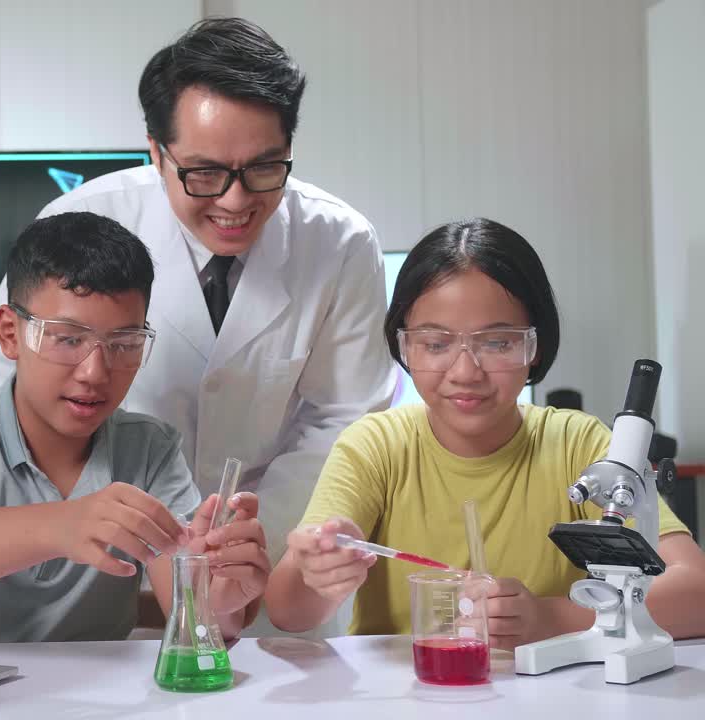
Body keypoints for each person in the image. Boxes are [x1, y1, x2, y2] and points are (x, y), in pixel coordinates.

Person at [0, 18, 394, 576]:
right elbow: (6, 396)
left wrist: (240, 540)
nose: (235, 199)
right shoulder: (83, 221)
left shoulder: (340, 242)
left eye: (265, 167)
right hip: (94, 555)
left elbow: (344, 418)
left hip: (263, 553)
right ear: (156, 151)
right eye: (204, 172)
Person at [265, 218, 705, 649]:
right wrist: (319, 574)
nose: (464, 373)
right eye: (435, 344)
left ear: (534, 347)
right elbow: (289, 613)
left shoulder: (577, 443)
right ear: (403, 346)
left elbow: (696, 594)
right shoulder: (376, 446)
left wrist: (551, 618)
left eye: (497, 343)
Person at [0, 211, 270, 643]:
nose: (95, 372)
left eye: (124, 344)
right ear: (10, 334)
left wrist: (219, 597)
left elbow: (193, 618)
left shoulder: (148, 449)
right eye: (67, 339)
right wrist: (62, 525)